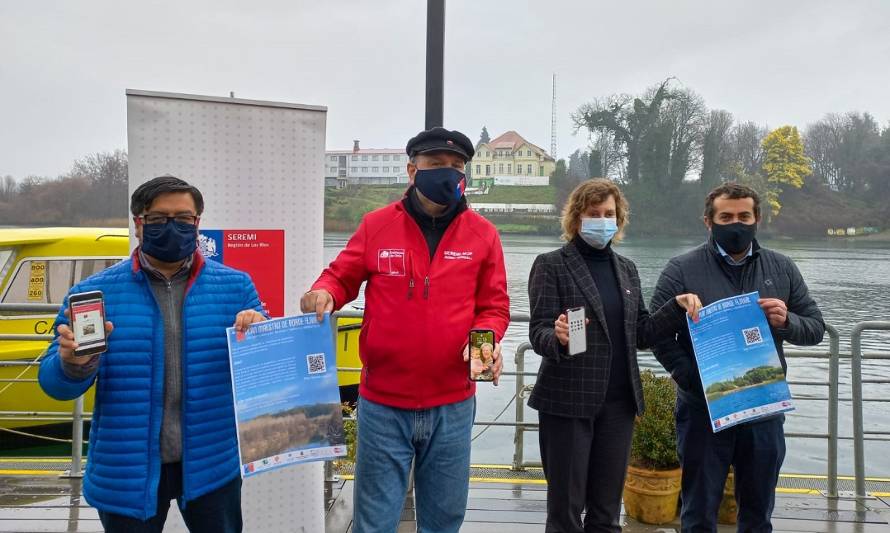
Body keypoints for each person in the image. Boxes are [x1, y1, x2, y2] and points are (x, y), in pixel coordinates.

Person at [300, 127, 510, 533]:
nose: (448, 173)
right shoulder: (377, 225)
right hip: (383, 404)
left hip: (453, 403)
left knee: (444, 519)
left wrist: (485, 337)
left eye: (456, 166)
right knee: (374, 520)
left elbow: (494, 305)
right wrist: (323, 293)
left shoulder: (483, 234)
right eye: (436, 165)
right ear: (413, 171)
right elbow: (340, 276)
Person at [39, 175, 266, 532]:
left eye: (183, 218)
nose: (172, 227)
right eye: (159, 219)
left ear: (197, 224)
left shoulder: (236, 287)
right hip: (126, 467)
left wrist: (259, 333)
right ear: (138, 224)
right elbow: (55, 385)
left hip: (212, 461)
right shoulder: (93, 293)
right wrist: (72, 365)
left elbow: (261, 367)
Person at [527, 178, 702, 533]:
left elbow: (641, 333)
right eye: (594, 213)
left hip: (619, 406)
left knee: (606, 514)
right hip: (567, 403)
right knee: (566, 513)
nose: (603, 220)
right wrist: (557, 336)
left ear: (619, 219)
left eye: (610, 213)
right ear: (577, 218)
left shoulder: (627, 270)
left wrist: (676, 307)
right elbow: (538, 331)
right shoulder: (551, 265)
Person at [650, 182, 825, 533]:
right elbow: (654, 334)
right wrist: (689, 377)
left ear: (757, 218)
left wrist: (788, 321)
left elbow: (816, 328)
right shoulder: (680, 269)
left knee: (758, 515)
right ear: (708, 221)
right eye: (726, 216)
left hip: (763, 410)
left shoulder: (782, 267)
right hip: (703, 411)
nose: (736, 224)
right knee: (698, 513)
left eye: (744, 216)